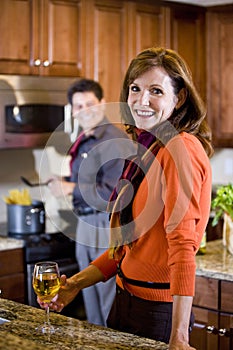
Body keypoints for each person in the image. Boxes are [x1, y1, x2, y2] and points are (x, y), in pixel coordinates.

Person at [40, 48, 213, 349]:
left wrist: (179, 338)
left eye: (156, 91)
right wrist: (74, 286)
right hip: (125, 304)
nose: (141, 100)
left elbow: (183, 246)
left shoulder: (180, 148)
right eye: (135, 88)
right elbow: (126, 249)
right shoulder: (146, 149)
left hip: (156, 314)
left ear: (180, 97)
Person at [47, 78, 135, 326]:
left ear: (102, 103)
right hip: (85, 223)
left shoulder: (114, 140)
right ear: (72, 110)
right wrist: (65, 180)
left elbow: (112, 193)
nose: (84, 111)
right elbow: (90, 178)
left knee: (107, 301)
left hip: (104, 224)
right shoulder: (86, 139)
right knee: (90, 301)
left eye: (90, 104)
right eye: (78, 106)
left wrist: (69, 187)